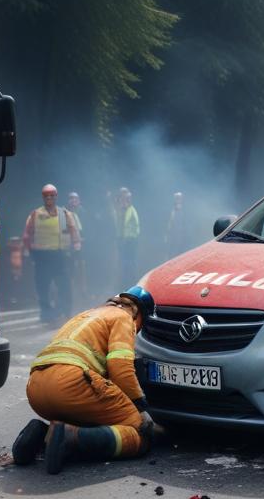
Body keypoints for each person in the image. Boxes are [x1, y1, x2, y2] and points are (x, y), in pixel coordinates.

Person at [11, 286, 162, 474]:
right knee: (139, 433)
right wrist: (140, 406)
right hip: (71, 384)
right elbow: (120, 367)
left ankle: (43, 434)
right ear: (138, 313)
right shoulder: (124, 318)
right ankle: (69, 438)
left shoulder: (86, 315)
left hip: (36, 388)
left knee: (94, 421)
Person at [22, 184, 81, 323]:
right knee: (42, 286)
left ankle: (65, 311)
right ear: (43, 197)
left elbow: (73, 233)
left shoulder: (63, 214)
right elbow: (27, 235)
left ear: (56, 197)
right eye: (46, 196)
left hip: (60, 255)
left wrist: (75, 249)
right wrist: (29, 252)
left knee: (64, 285)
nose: (49, 198)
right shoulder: (36, 214)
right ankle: (46, 313)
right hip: (41, 256)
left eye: (52, 195)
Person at [65, 191, 87, 308]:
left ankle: (82, 292)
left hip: (81, 245)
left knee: (81, 268)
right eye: (71, 199)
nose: (73, 201)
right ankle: (72, 293)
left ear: (79, 201)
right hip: (70, 245)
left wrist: (83, 239)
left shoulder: (82, 212)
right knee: (71, 269)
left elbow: (86, 228)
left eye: (75, 199)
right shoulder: (66, 213)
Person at [115, 187, 140, 288]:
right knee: (124, 263)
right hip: (122, 240)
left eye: (126, 197)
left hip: (131, 241)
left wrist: (131, 239)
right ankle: (125, 283)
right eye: (122, 196)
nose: (124, 199)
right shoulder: (121, 210)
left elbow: (136, 228)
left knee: (130, 263)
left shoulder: (131, 210)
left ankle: (130, 283)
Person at [165, 191, 188, 259]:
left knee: (178, 252)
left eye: (179, 198)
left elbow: (183, 223)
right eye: (176, 198)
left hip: (179, 235)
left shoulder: (182, 210)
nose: (177, 200)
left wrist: (182, 234)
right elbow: (170, 222)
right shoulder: (172, 209)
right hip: (173, 235)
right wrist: (168, 233)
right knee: (171, 252)